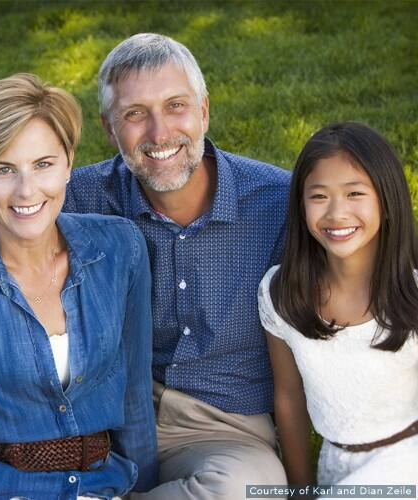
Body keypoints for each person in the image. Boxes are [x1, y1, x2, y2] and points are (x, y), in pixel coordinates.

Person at [0, 73, 157, 499]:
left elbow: (134, 399)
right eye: (4, 169)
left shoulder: (120, 250)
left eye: (43, 165)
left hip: (102, 487)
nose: (25, 191)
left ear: (69, 162)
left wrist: (146, 489)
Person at [64, 33, 290, 498]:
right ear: (110, 129)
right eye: (134, 115)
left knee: (251, 490)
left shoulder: (277, 204)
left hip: (224, 428)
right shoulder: (75, 199)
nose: (159, 133)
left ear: (203, 112)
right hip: (107, 414)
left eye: (175, 106)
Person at [259, 122, 418, 488]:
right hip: (336, 462)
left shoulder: (411, 291)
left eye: (355, 193)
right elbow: (288, 394)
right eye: (319, 196)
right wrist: (300, 489)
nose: (336, 213)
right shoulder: (280, 293)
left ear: (386, 198)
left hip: (406, 459)